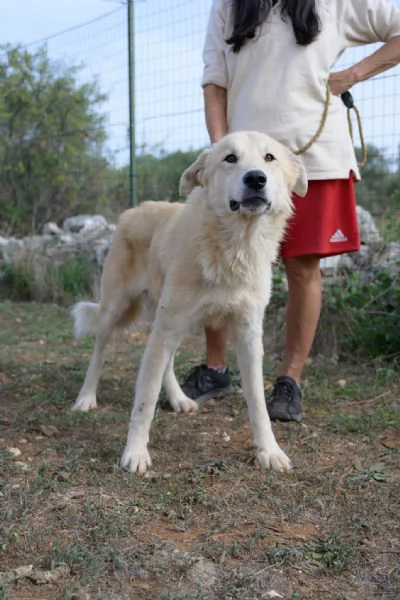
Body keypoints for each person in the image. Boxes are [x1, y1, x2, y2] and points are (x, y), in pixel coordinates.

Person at [180, 0, 400, 421]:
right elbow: (215, 81)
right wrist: (223, 153)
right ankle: (215, 369)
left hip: (313, 158)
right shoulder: (228, 5)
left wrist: (354, 74)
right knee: (222, 262)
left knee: (302, 267)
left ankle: (289, 381)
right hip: (243, 165)